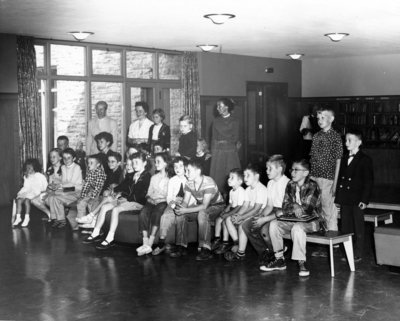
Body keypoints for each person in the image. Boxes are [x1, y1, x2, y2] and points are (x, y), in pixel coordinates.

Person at [262, 159, 322, 277]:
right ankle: (279, 260)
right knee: (274, 224)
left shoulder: (312, 185)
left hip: (312, 221)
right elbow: (285, 205)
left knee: (297, 228)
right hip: (294, 219)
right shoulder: (290, 184)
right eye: (292, 170)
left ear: (305, 173)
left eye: (296, 170)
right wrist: (295, 205)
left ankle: (301, 262)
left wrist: (293, 208)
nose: (293, 173)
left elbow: (307, 209)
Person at [82, 152, 151, 250]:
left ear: (144, 163)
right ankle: (95, 232)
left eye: (136, 162)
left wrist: (126, 198)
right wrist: (119, 193)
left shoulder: (147, 176)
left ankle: (110, 238)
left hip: (138, 203)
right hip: (127, 200)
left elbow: (141, 195)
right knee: (104, 207)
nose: (134, 165)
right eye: (133, 163)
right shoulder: (134, 174)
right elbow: (127, 188)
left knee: (116, 210)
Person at [171, 160, 225, 261]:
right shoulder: (189, 182)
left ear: (198, 171)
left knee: (202, 213)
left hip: (217, 207)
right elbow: (185, 202)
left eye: (188, 171)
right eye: (186, 171)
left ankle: (206, 249)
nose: (186, 173)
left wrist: (185, 210)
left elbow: (205, 206)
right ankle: (181, 246)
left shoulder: (208, 182)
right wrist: (181, 209)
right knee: (181, 214)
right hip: (202, 207)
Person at [242, 155, 290, 266]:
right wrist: (261, 216)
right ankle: (265, 252)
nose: (266, 171)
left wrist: (265, 220)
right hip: (272, 210)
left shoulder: (287, 183)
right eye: (266, 168)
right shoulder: (270, 183)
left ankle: (277, 254)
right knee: (247, 225)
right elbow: (269, 205)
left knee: (264, 230)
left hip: (284, 213)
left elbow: (284, 209)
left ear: (279, 169)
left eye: (270, 168)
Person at [335, 129, 373, 262]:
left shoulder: (365, 160)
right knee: (345, 226)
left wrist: (364, 200)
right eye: (345, 140)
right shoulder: (344, 158)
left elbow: (368, 182)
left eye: (349, 140)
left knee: (358, 227)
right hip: (345, 199)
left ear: (359, 142)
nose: (346, 143)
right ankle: (347, 252)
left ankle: (357, 253)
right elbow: (340, 179)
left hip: (357, 199)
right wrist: (338, 198)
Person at [310, 107, 343, 257]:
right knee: (318, 210)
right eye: (318, 118)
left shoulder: (335, 137)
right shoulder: (316, 136)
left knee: (329, 210)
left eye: (323, 117)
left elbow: (338, 162)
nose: (320, 121)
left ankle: (333, 242)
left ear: (331, 119)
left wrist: (335, 183)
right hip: (315, 177)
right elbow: (313, 158)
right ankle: (323, 242)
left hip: (328, 178)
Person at [224, 164, 268, 262]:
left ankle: (241, 252)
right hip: (251, 214)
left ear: (256, 176)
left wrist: (242, 217)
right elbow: (246, 206)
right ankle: (237, 242)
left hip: (260, 215)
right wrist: (239, 215)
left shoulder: (261, 189)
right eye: (244, 175)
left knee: (242, 225)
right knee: (228, 219)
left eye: (248, 175)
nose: (245, 178)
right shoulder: (248, 189)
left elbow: (256, 209)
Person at [152, 157, 193, 256]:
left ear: (186, 167)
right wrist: (174, 206)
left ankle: (182, 246)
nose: (177, 169)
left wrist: (185, 205)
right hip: (174, 204)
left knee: (181, 217)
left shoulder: (190, 179)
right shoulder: (172, 180)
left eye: (180, 166)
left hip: (187, 205)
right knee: (165, 216)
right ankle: (162, 242)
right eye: (175, 167)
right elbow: (169, 198)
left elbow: (193, 198)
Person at [136, 152, 172, 256]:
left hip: (163, 202)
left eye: (158, 162)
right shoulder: (154, 177)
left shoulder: (170, 179)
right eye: (155, 162)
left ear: (165, 163)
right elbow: (148, 193)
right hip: (152, 201)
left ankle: (150, 242)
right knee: (143, 213)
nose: (156, 164)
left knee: (157, 213)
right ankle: (145, 243)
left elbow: (170, 195)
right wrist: (150, 198)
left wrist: (161, 199)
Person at [76, 151, 124, 228]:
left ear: (118, 163)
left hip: (114, 196)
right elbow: (103, 185)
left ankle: (92, 220)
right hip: (104, 194)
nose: (110, 163)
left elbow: (120, 187)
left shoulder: (120, 173)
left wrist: (113, 188)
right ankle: (90, 220)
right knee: (92, 200)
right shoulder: (109, 172)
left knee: (96, 200)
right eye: (108, 161)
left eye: (113, 162)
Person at [210, 98, 241, 195]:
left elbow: (236, 138)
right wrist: (213, 152)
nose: (218, 108)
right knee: (218, 176)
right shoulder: (215, 121)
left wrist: (230, 146)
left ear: (227, 107)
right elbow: (213, 138)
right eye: (217, 106)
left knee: (230, 175)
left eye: (220, 106)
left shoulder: (235, 121)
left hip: (230, 152)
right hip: (218, 152)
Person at [45, 148, 83, 229]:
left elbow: (72, 183)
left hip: (76, 190)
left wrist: (59, 186)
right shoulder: (63, 167)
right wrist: (56, 186)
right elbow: (64, 182)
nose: (66, 160)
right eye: (64, 158)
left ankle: (62, 219)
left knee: (58, 195)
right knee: (52, 195)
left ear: (74, 158)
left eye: (69, 158)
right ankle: (56, 218)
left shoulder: (77, 167)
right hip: (68, 189)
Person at [211, 168, 246, 255]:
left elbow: (239, 206)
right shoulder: (231, 191)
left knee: (224, 222)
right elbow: (230, 204)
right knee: (218, 219)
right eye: (229, 177)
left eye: (232, 178)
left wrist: (228, 214)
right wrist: (225, 211)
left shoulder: (241, 191)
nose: (228, 179)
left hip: (238, 211)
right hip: (232, 209)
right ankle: (217, 240)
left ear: (239, 181)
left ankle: (229, 242)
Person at [67, 155, 107, 231]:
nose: (89, 165)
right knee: (81, 203)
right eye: (88, 163)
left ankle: (92, 224)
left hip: (99, 192)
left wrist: (92, 198)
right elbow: (86, 185)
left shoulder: (100, 173)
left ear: (98, 165)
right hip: (91, 191)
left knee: (92, 204)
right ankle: (81, 222)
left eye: (91, 163)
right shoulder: (90, 172)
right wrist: (82, 196)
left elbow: (98, 187)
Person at [12, 159, 48, 227]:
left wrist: (43, 191)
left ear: (34, 167)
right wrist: (22, 192)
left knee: (27, 200)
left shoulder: (40, 176)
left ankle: (26, 218)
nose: (28, 169)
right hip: (28, 191)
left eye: (29, 168)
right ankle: (18, 217)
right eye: (26, 168)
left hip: (36, 192)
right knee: (19, 200)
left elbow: (45, 185)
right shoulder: (26, 176)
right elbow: (26, 187)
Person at [31, 148, 63, 221]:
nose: (51, 159)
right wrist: (46, 191)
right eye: (50, 157)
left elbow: (66, 184)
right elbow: (50, 184)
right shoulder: (50, 169)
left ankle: (58, 215)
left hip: (62, 192)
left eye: (54, 157)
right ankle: (49, 214)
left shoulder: (64, 169)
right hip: (51, 192)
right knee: (34, 200)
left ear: (60, 157)